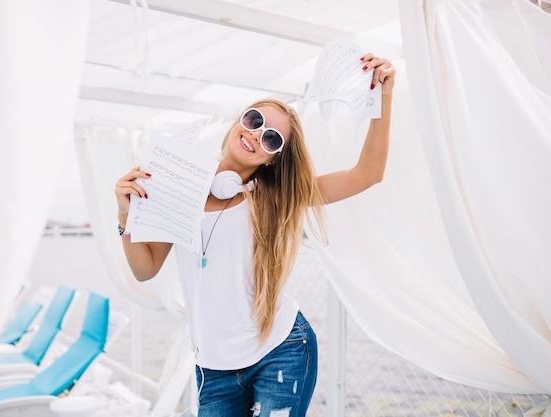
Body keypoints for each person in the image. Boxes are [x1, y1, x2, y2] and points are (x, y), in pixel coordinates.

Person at [115, 53, 395, 417]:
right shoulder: (179, 186)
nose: (255, 134)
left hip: (281, 351)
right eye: (254, 120)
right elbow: (145, 268)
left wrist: (384, 97)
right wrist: (125, 215)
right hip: (213, 368)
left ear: (273, 159)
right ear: (238, 121)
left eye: (271, 139)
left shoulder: (275, 197)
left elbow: (367, 173)